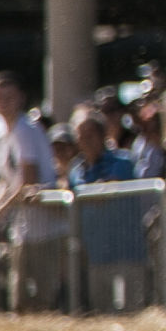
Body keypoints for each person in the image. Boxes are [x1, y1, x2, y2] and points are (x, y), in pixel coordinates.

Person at [0, 70, 70, 312]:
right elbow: (6, 180)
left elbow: (28, 179)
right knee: (19, 302)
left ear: (21, 98)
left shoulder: (25, 129)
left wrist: (2, 208)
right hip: (22, 229)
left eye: (8, 97)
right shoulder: (2, 136)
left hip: (45, 230)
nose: (3, 102)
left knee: (44, 300)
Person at [65, 105, 147, 314]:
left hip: (127, 253)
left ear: (102, 134)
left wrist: (86, 195)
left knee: (131, 312)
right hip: (96, 254)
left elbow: (105, 191)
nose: (86, 139)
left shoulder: (123, 161)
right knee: (102, 313)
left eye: (90, 133)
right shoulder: (75, 170)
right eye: (80, 135)